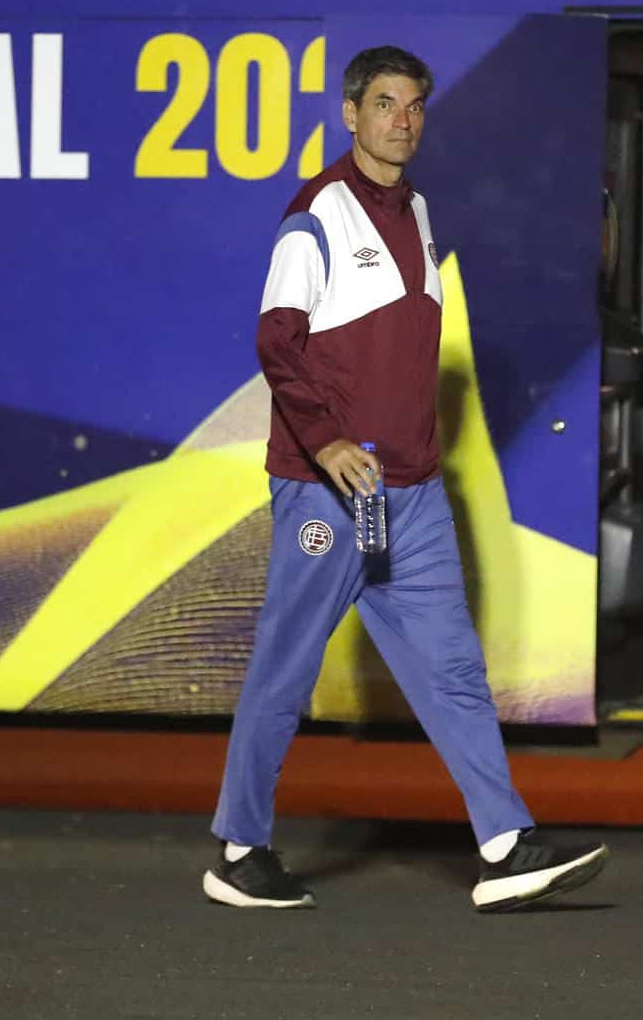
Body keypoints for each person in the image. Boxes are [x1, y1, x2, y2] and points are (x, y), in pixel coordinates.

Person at [203, 45, 607, 913]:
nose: (403, 120)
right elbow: (276, 341)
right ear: (351, 114)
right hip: (328, 492)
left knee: (453, 667)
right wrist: (328, 441)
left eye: (416, 105)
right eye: (385, 104)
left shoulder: (418, 209)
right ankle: (239, 850)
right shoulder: (316, 214)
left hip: (413, 494)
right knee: (287, 665)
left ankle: (504, 845)